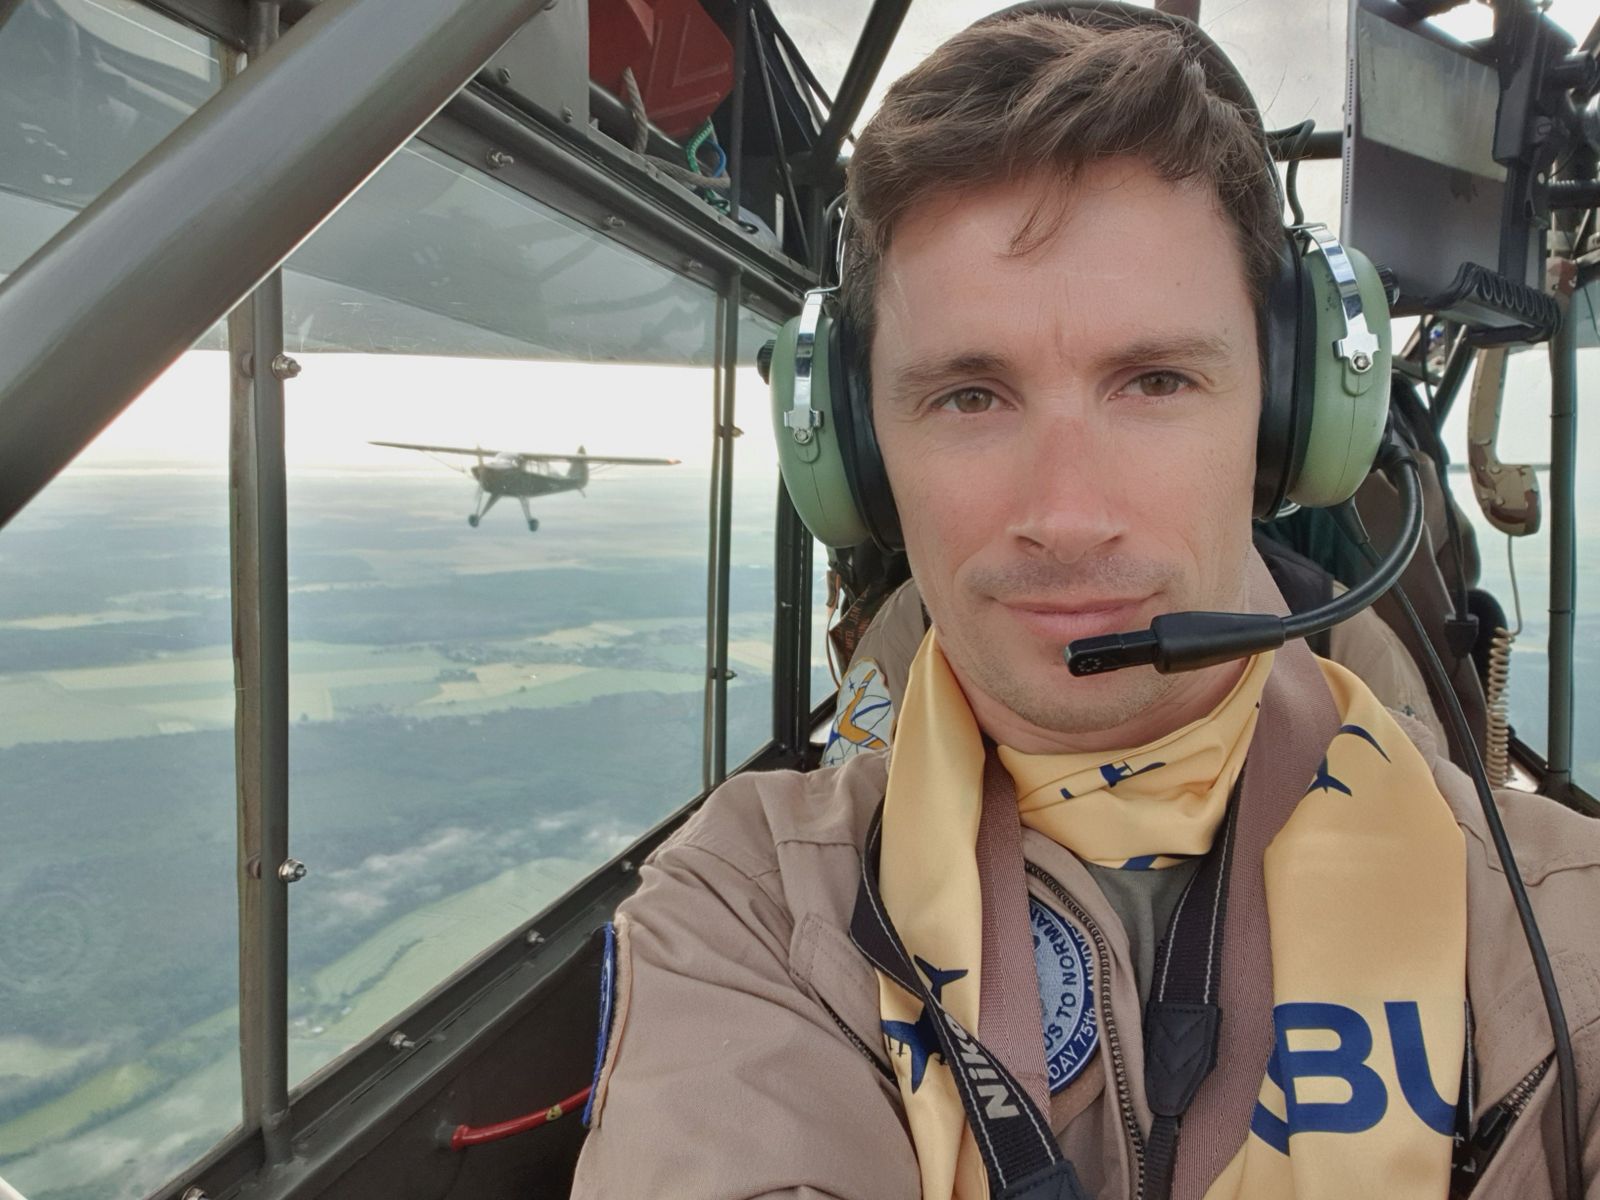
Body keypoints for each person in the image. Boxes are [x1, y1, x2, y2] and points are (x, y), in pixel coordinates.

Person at [571, 6, 1600, 1198]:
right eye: (968, 396)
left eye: (1154, 381)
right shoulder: (748, 907)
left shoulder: (1561, 923)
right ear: (854, 454)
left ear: (1288, 427)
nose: (1064, 515)